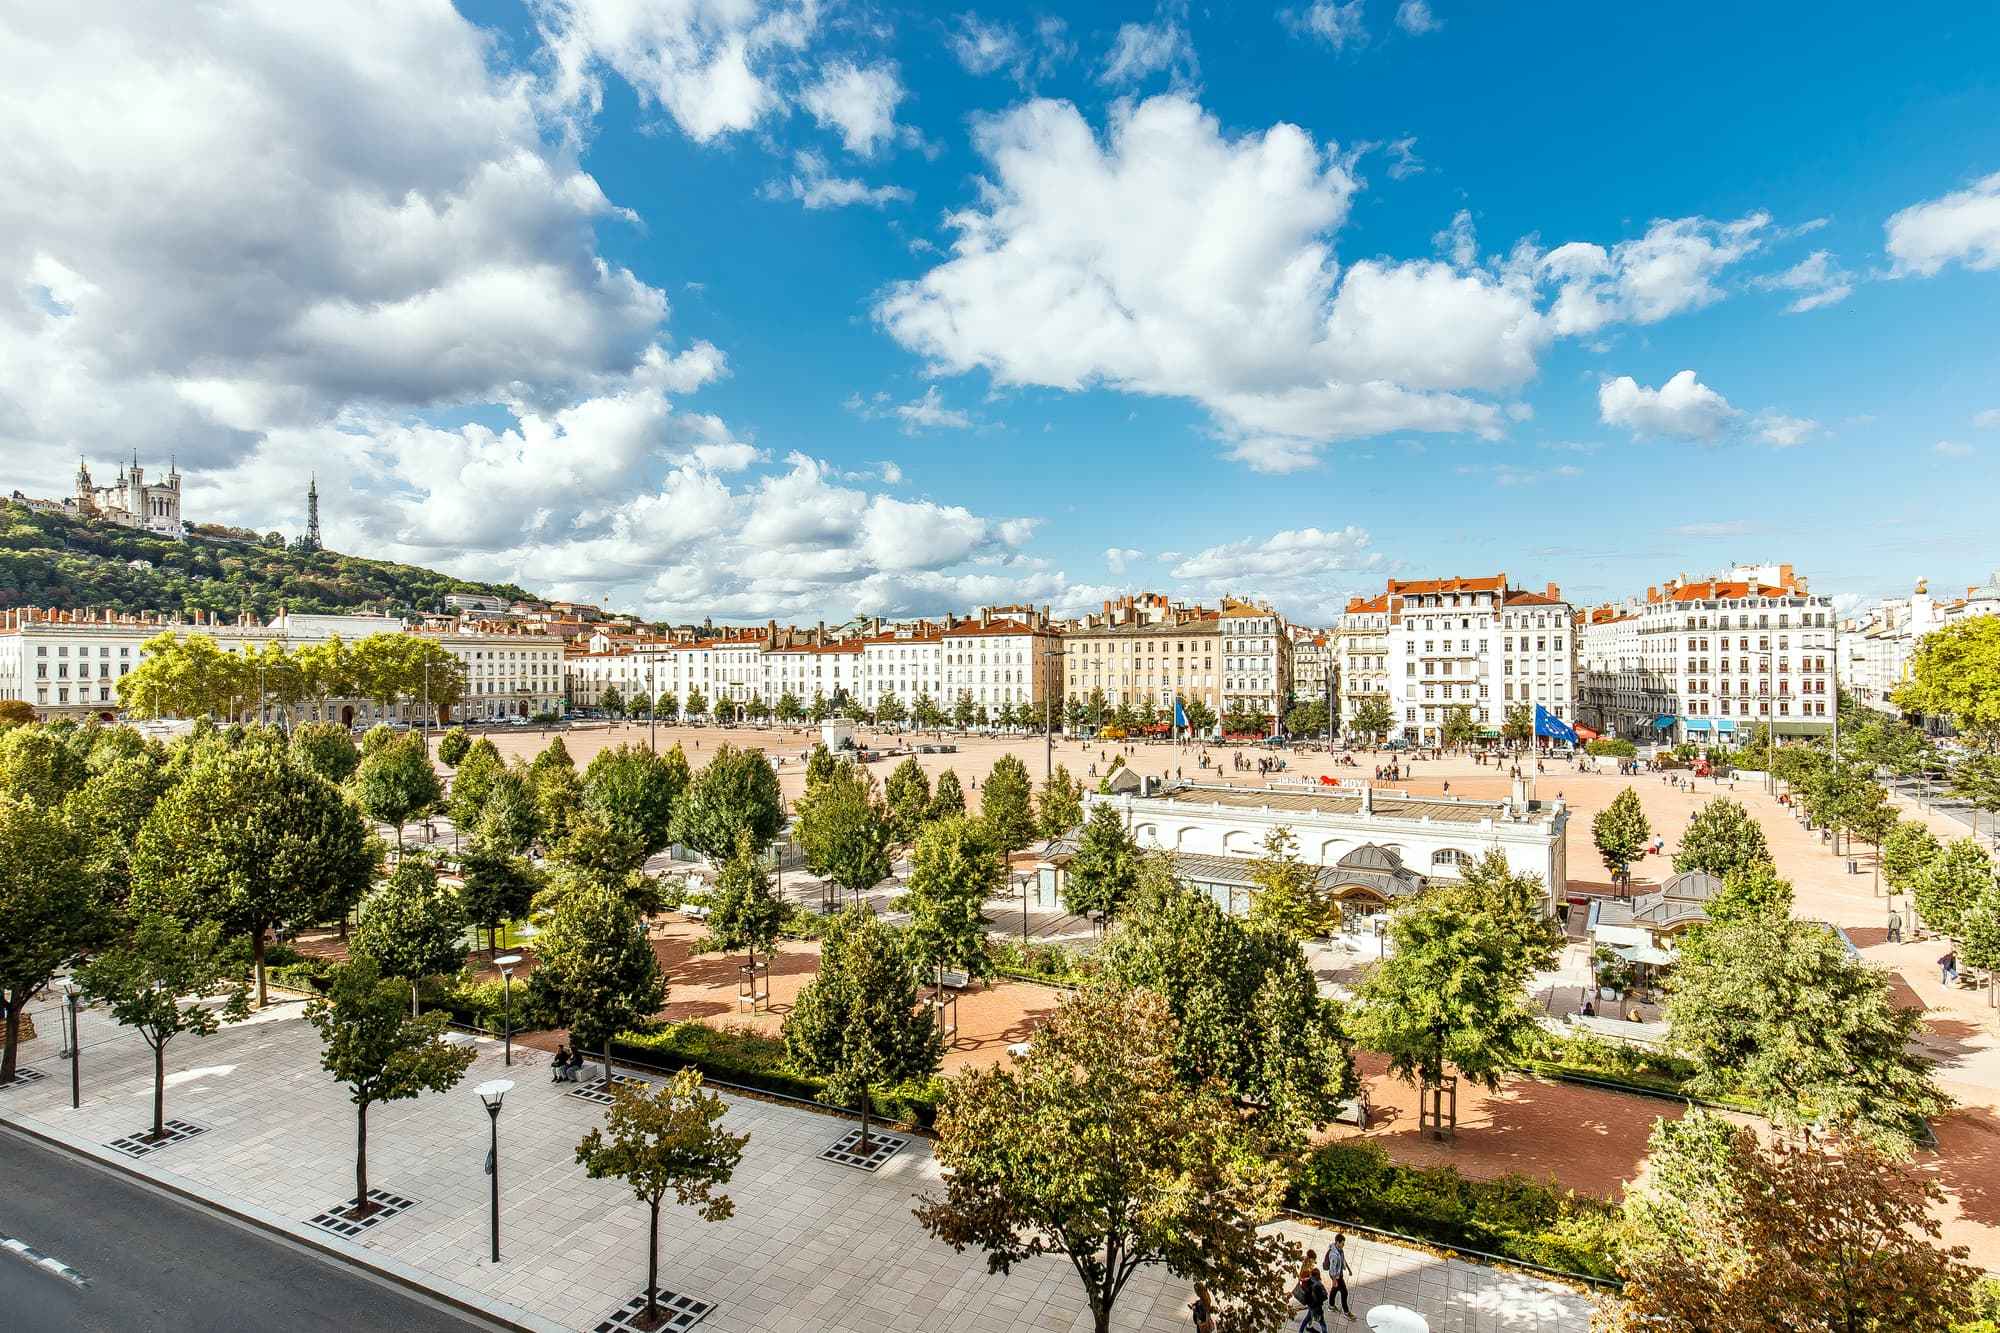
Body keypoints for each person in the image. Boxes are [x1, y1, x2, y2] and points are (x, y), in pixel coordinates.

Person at [1294, 1257, 1329, 1333]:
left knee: (1307, 1319)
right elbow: (1324, 1296)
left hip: (1310, 1305)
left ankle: (1301, 1331)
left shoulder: (1308, 1281)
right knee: (1322, 1323)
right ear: (1317, 1275)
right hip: (1316, 1307)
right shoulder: (1318, 1285)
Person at [1324, 1233, 1354, 1319]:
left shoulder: (1339, 1249)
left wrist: (1348, 1269)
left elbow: (1343, 1259)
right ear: (1337, 1242)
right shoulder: (1334, 1255)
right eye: (1342, 1243)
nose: (1343, 1245)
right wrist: (1334, 1280)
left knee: (1335, 1289)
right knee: (1344, 1293)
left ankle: (1331, 1306)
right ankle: (1346, 1312)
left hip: (1338, 1274)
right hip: (1336, 1276)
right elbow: (1332, 1269)